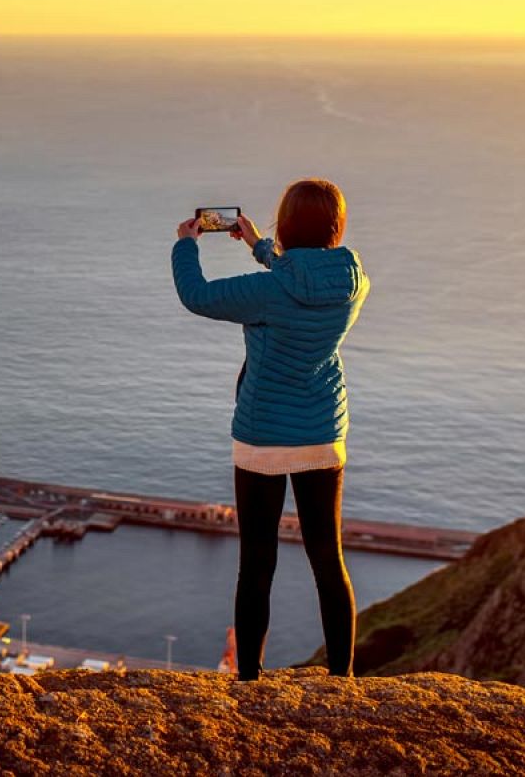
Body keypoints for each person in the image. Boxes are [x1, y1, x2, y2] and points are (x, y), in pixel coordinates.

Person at [171, 179, 369, 681]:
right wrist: (259, 246)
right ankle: (342, 675)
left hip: (262, 436)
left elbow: (197, 296)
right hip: (322, 433)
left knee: (257, 563)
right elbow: (301, 281)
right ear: (336, 226)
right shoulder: (354, 282)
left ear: (288, 225)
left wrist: (186, 244)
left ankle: (250, 679)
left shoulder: (266, 291)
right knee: (328, 560)